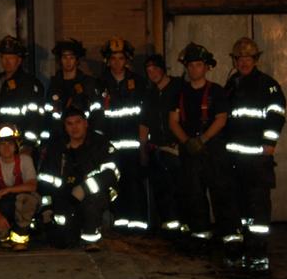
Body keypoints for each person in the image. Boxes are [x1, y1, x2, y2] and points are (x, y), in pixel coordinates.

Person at [168, 42, 243, 265]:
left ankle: (230, 238)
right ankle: (201, 235)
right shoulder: (179, 93)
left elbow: (221, 119)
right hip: (190, 151)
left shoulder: (217, 91)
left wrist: (203, 139)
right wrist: (187, 142)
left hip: (213, 151)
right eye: (190, 65)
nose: (194, 69)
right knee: (193, 195)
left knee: (222, 193)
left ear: (206, 67)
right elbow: (173, 121)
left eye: (198, 65)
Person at [224, 37, 286, 273]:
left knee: (258, 205)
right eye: (239, 58)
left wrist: (269, 144)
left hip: (257, 159)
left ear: (255, 59)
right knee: (238, 205)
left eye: (248, 58)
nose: (243, 62)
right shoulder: (232, 84)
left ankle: (258, 251)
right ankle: (241, 246)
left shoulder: (268, 85)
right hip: (234, 159)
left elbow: (276, 113)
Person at [38, 106, 119, 251]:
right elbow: (45, 179)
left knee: (92, 201)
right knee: (61, 241)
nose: (74, 127)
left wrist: (83, 188)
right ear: (64, 126)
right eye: (69, 124)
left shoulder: (101, 144)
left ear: (86, 123)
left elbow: (111, 174)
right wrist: (47, 208)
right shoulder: (57, 148)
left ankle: (91, 238)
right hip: (65, 198)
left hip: (93, 197)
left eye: (78, 122)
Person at [98, 37, 148, 233]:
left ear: (127, 60)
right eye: (113, 58)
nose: (117, 62)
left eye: (121, 58)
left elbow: (144, 115)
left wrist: (143, 145)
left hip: (134, 146)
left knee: (134, 184)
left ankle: (138, 225)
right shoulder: (100, 84)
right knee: (114, 184)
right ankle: (120, 222)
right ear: (108, 60)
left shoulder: (139, 83)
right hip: (110, 145)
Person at [139, 54, 184, 237]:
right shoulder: (149, 95)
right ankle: (170, 229)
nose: (152, 74)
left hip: (177, 149)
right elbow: (144, 123)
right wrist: (142, 149)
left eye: (155, 69)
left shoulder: (178, 88)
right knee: (162, 192)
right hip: (157, 150)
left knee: (181, 190)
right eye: (148, 71)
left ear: (163, 69)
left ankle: (184, 227)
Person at [0, 123, 39, 251]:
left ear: (16, 146)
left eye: (10, 143)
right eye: (2, 144)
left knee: (27, 200)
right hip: (4, 208)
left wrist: (7, 190)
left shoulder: (25, 160)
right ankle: (4, 235)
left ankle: (20, 237)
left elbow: (32, 186)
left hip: (21, 206)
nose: (6, 147)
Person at [0, 35, 44, 151]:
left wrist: (28, 145)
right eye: (3, 57)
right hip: (0, 144)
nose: (6, 61)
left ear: (19, 60)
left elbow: (35, 117)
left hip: (20, 145)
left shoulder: (29, 84)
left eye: (11, 57)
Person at [45, 38, 101, 142]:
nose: (68, 61)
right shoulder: (54, 84)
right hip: (59, 138)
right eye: (64, 58)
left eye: (71, 58)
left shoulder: (88, 83)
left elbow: (97, 114)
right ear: (60, 60)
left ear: (77, 60)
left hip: (85, 139)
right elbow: (48, 114)